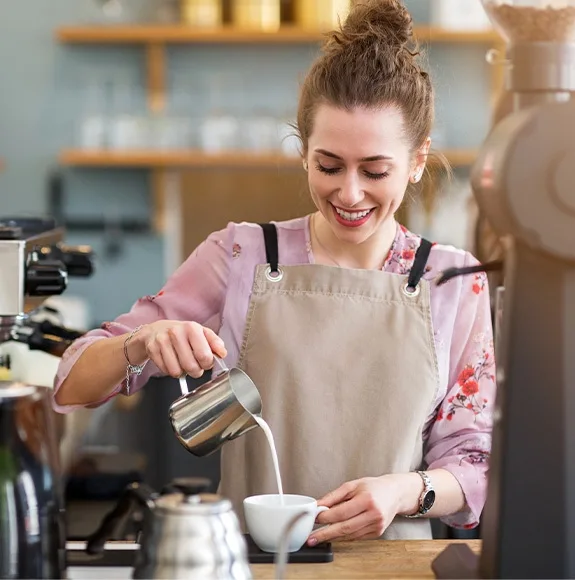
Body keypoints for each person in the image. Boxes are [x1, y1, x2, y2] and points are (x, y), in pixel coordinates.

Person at [53, 0, 496, 543]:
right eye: (328, 165)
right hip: (252, 565)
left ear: (419, 159)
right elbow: (71, 384)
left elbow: (477, 464)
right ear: (303, 150)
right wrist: (143, 341)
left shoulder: (454, 279)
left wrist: (406, 491)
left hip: (393, 565)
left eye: (375, 170)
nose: (349, 193)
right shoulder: (241, 255)